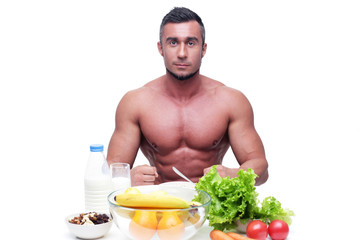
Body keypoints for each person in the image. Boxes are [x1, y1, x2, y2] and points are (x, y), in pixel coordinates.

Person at [107, 7, 268, 186]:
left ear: (203, 49)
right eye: (173, 43)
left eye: (191, 43)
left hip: (210, 207)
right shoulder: (135, 103)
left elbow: (261, 168)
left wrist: (234, 174)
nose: (182, 53)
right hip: (159, 206)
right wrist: (126, 179)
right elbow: (109, 171)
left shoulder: (231, 101)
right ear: (161, 48)